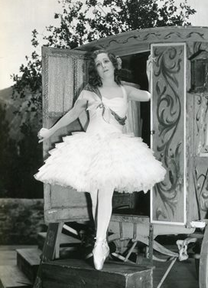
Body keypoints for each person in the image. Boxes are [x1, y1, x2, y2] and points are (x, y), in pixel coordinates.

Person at [35, 49, 166, 270]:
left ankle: (100, 242)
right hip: (92, 145)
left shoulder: (125, 91)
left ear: (114, 64)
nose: (103, 65)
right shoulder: (89, 92)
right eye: (98, 63)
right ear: (95, 69)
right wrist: (49, 131)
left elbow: (148, 96)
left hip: (115, 146)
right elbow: (72, 114)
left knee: (105, 189)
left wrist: (150, 74)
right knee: (96, 200)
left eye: (106, 61)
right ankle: (102, 243)